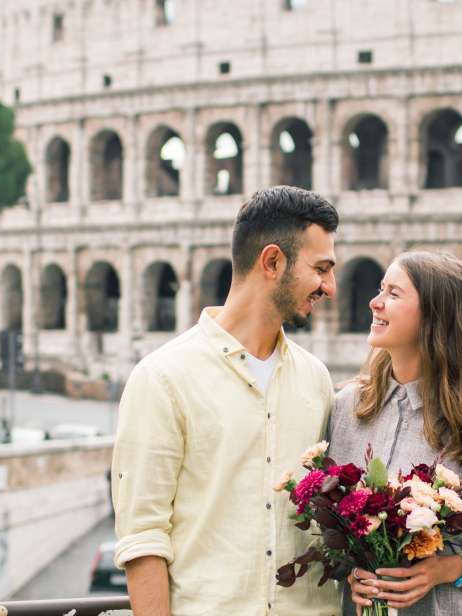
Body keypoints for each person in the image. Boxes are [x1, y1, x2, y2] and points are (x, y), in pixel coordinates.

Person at [111, 186, 342, 616]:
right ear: (272, 262)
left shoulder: (317, 380)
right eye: (321, 269)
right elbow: (143, 539)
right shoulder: (162, 379)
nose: (330, 287)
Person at [327, 251, 462, 616]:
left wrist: (449, 569)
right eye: (381, 289)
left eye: (393, 294)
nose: (374, 302)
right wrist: (350, 574)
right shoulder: (347, 407)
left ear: (433, 316)